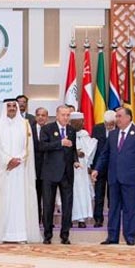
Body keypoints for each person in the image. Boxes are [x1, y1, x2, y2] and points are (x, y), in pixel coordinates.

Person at [91, 107, 135, 246]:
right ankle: (112, 236)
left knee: (130, 208)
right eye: (116, 116)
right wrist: (97, 169)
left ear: (128, 117)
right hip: (114, 177)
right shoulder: (112, 134)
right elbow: (105, 154)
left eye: (119, 116)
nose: (117, 119)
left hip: (131, 177)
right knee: (113, 208)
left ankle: (130, 236)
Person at [0, 98, 40, 244]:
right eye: (9, 106)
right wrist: (8, 160)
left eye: (14, 106)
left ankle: (20, 235)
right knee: (3, 201)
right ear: (4, 108)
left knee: (19, 202)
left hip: (20, 170)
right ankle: (3, 235)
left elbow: (28, 147)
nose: (11, 108)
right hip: (3, 171)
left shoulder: (24, 124)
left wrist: (18, 160)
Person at [37, 105, 77, 245]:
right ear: (57, 115)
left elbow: (73, 149)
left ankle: (65, 235)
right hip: (50, 173)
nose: (66, 117)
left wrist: (76, 161)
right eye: (63, 115)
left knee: (67, 206)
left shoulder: (71, 130)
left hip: (67, 173)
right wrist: (60, 143)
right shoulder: (47, 129)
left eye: (68, 115)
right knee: (48, 205)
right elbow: (42, 146)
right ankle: (47, 235)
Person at [70, 112, 97, 229]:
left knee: (82, 193)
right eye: (75, 122)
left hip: (82, 170)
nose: (78, 124)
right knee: (72, 194)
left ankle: (82, 219)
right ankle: (70, 218)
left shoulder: (85, 135)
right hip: (70, 169)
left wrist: (85, 156)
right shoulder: (67, 133)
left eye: (80, 122)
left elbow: (90, 150)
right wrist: (74, 153)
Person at [90, 110, 116, 227]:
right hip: (99, 167)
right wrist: (93, 166)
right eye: (107, 124)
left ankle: (112, 218)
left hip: (114, 167)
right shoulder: (97, 128)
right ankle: (98, 219)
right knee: (99, 194)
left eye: (111, 124)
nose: (109, 126)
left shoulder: (119, 129)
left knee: (113, 195)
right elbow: (93, 148)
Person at [32, 106, 50, 225]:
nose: (40, 117)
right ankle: (36, 219)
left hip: (48, 169)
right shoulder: (29, 129)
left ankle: (47, 220)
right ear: (35, 116)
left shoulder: (51, 129)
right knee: (36, 196)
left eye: (43, 115)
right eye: (38, 115)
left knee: (48, 197)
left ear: (47, 117)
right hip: (33, 169)